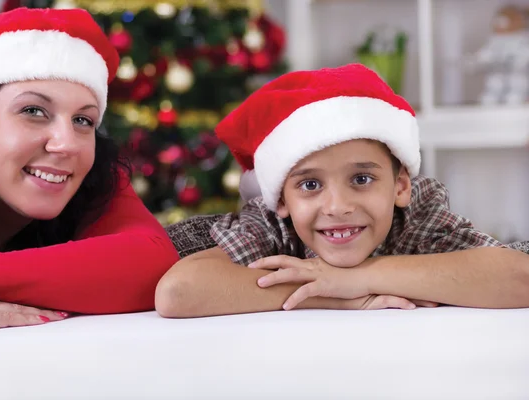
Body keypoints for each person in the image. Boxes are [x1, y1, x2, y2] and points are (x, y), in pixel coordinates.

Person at [156, 64, 529, 318]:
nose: (338, 206)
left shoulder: (417, 215)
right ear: (282, 201)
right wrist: (332, 295)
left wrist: (360, 276)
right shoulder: (272, 226)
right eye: (311, 185)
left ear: (400, 186)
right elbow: (177, 293)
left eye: (362, 179)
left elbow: (519, 277)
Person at [0, 7, 179, 337]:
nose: (67, 145)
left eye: (83, 121)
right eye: (33, 111)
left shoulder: (96, 180)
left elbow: (151, 264)